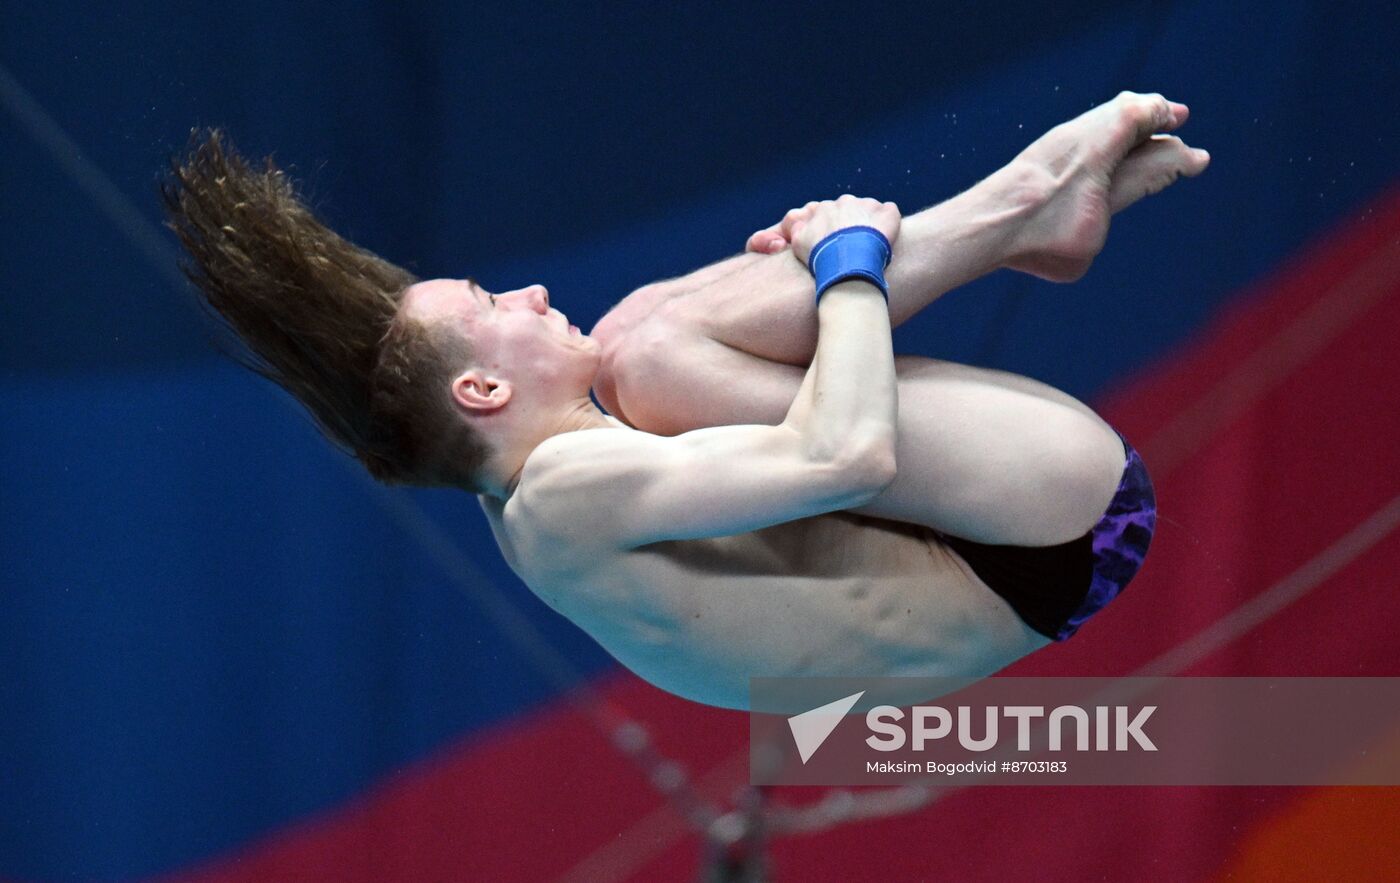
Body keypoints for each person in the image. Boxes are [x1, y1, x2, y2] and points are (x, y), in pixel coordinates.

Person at [164, 92, 1208, 710]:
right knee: (657, 353)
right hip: (1055, 537)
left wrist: (781, 282)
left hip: (986, 539)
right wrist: (843, 264)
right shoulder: (565, 490)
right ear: (481, 389)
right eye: (493, 303)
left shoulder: (545, 475)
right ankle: (1019, 205)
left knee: (634, 342)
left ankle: (1025, 219)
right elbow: (845, 458)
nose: (525, 291)